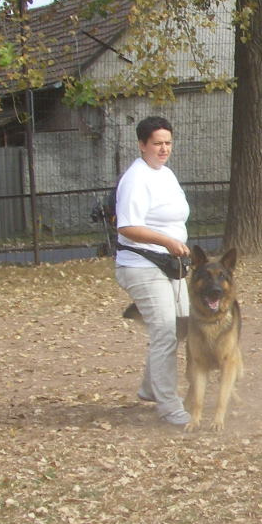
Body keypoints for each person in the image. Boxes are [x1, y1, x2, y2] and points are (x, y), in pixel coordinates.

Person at [115, 116, 193, 427]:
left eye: (168, 143)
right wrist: (166, 241)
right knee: (166, 332)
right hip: (142, 265)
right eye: (157, 143)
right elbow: (127, 226)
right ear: (142, 145)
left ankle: (150, 387)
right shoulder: (136, 179)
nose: (163, 149)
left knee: (183, 326)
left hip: (170, 265)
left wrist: (174, 244)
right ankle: (170, 407)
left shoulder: (165, 174)